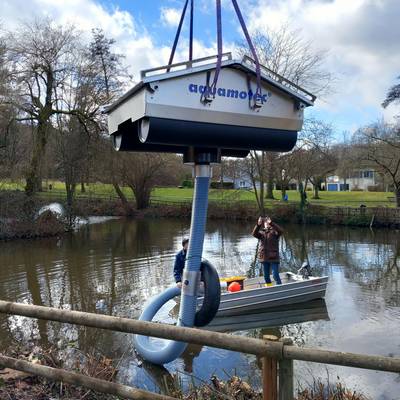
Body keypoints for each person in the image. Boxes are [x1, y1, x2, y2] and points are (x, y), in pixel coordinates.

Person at [252, 216, 284, 286]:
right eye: (265, 222)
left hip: (273, 257)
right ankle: (269, 288)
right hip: (264, 257)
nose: (266, 223)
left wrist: (272, 223)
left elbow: (281, 231)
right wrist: (258, 225)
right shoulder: (261, 233)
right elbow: (254, 234)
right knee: (266, 276)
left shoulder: (274, 232)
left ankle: (280, 287)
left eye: (267, 222)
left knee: (275, 275)